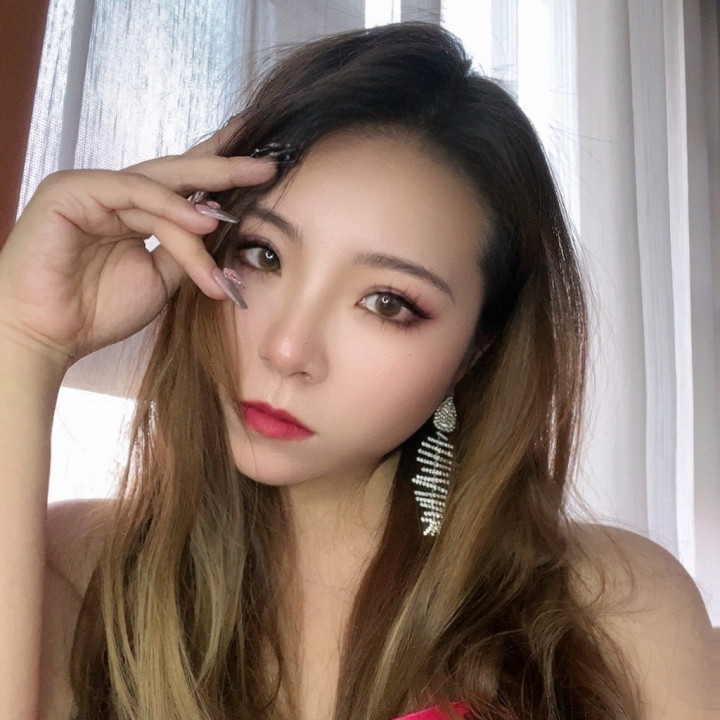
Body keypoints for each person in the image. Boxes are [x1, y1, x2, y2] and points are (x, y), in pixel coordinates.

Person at [0, 21, 713, 720]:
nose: (287, 350)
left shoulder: (613, 608)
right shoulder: (72, 573)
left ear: (475, 352)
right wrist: (23, 338)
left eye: (387, 303)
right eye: (263, 255)